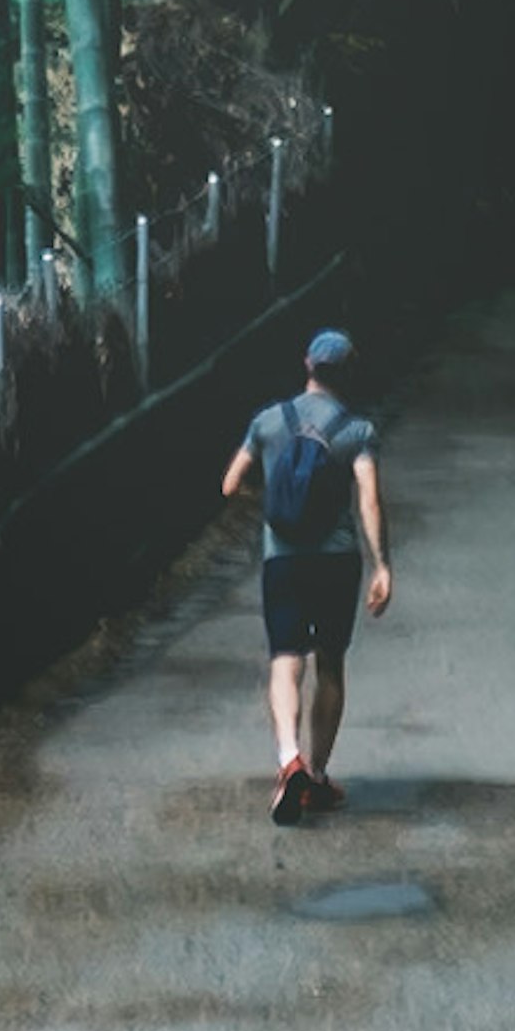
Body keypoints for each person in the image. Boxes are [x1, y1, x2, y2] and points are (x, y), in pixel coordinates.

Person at [224, 324, 390, 824]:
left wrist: (271, 505)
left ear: (307, 365)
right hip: (337, 560)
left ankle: (286, 757)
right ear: (349, 373)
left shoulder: (270, 421)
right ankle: (316, 777)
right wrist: (382, 564)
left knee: (285, 657)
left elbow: (230, 484)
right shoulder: (357, 431)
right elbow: (369, 500)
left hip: (284, 559)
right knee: (331, 664)